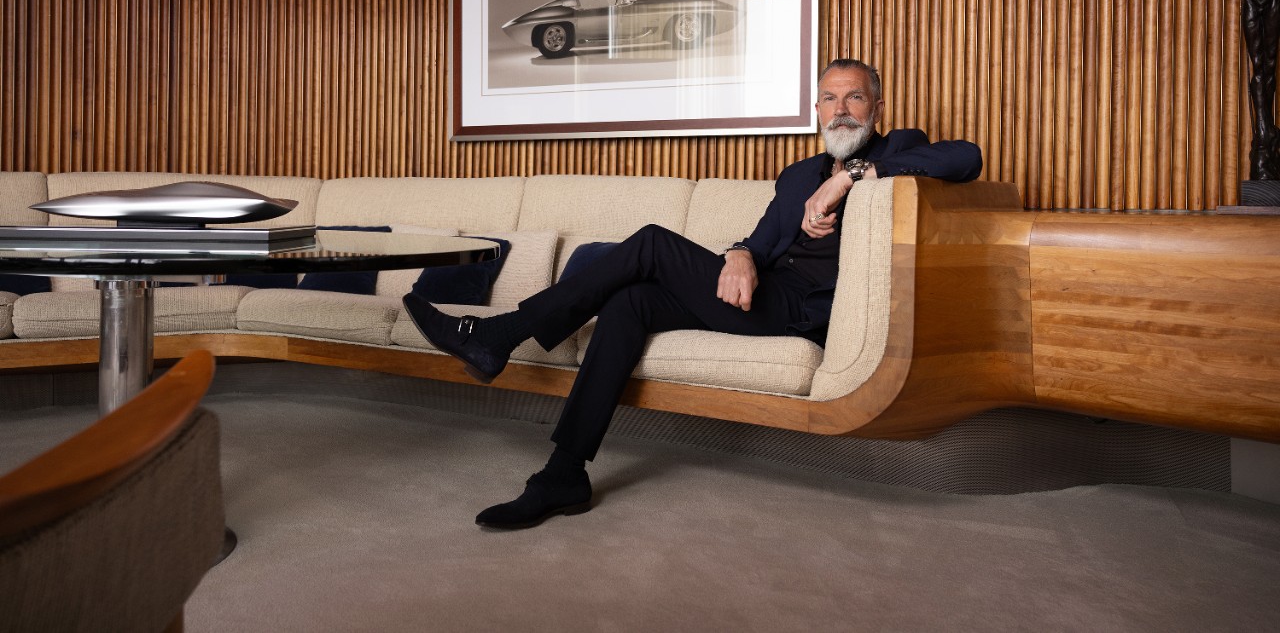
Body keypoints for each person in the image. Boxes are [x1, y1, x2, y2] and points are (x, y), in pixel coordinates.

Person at [403, 58, 982, 529]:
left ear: (876, 107)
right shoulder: (797, 175)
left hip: (804, 312)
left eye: (854, 97)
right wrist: (738, 256)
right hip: (764, 296)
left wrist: (849, 176)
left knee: (653, 243)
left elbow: (966, 157)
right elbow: (756, 240)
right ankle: (564, 473)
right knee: (629, 302)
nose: (841, 109)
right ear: (817, 111)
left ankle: (501, 333)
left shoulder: (897, 151)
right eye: (829, 98)